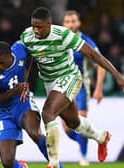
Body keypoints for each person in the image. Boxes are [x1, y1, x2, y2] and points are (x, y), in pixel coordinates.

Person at [20, 7, 124, 168]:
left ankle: (53, 163)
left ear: (49, 24)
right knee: (73, 123)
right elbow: (28, 58)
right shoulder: (27, 36)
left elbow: (93, 55)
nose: (35, 30)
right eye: (33, 25)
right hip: (49, 82)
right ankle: (101, 137)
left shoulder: (63, 35)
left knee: (48, 113)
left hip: (69, 77)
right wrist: (24, 81)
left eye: (39, 26)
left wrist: (117, 75)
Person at [0, 41, 63, 168]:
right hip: (2, 111)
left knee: (34, 132)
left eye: (1, 62)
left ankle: (57, 165)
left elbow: (31, 55)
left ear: (10, 56)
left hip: (22, 102)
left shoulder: (19, 50)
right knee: (7, 162)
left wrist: (25, 79)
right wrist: (14, 91)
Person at [61, 10, 105, 166]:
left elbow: (100, 65)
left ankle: (84, 156)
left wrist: (98, 88)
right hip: (64, 88)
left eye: (73, 21)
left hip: (81, 88)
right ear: (63, 24)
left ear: (79, 23)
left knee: (79, 122)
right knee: (67, 129)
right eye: (67, 21)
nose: (70, 24)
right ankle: (91, 138)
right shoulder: (60, 40)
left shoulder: (86, 42)